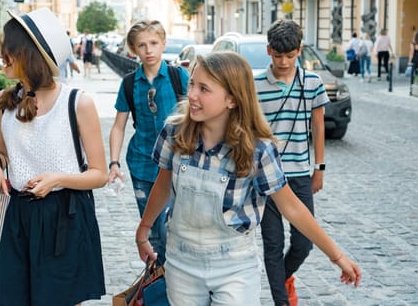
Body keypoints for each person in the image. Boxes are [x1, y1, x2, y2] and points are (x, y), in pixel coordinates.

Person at [135, 51, 361, 305]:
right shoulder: (175, 132)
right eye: (192, 85)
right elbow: (163, 184)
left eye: (204, 89)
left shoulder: (257, 149)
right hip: (182, 261)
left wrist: (336, 256)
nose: (192, 95)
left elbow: (291, 207)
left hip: (234, 266)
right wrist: (144, 229)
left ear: (232, 99)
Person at [0, 8, 108, 305]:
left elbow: (100, 174)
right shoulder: (3, 101)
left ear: (26, 53)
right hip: (18, 217)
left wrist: (58, 179)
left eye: (7, 46)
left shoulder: (77, 102)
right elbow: (0, 151)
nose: (1, 53)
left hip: (64, 217)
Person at [254, 19, 329, 306]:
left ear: (299, 50)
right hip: (266, 178)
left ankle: (283, 278)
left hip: (299, 174)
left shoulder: (312, 83)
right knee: (272, 245)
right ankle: (281, 301)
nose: (283, 62)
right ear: (269, 50)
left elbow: (318, 127)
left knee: (303, 242)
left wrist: (319, 169)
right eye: (277, 55)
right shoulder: (255, 84)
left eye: (289, 55)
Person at [108, 19, 189, 264]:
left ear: (163, 44)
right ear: (133, 50)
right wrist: (114, 163)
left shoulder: (179, 76)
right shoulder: (130, 83)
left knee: (174, 227)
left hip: (177, 164)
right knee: (152, 230)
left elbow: (197, 116)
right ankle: (158, 285)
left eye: (154, 43)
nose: (149, 50)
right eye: (142, 45)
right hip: (142, 164)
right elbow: (118, 126)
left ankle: (175, 283)